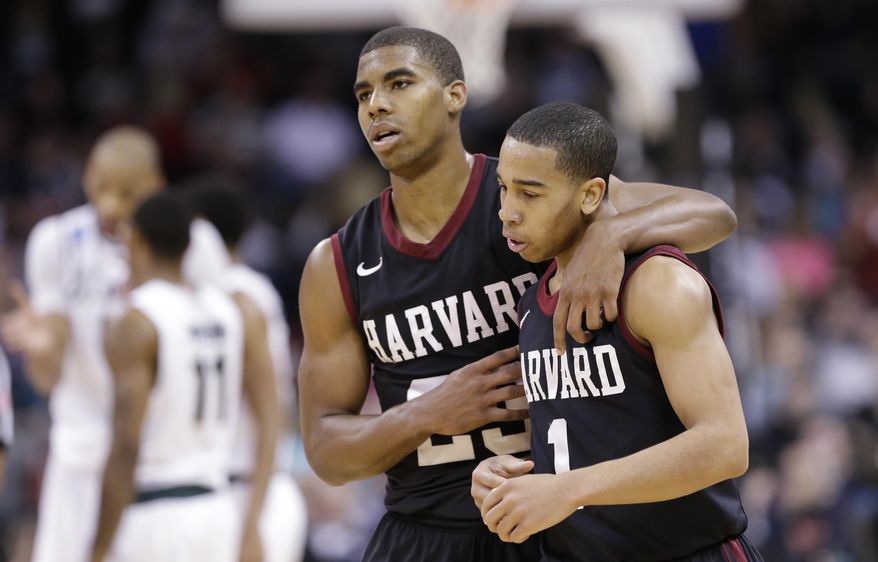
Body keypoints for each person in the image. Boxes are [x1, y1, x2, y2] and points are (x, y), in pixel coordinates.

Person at [298, 26, 738, 562]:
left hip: (561, 521)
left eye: (399, 83)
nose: (377, 105)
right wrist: (428, 414)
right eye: (364, 94)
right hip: (426, 525)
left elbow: (714, 214)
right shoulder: (338, 261)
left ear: (455, 95)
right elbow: (325, 451)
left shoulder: (530, 191)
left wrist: (614, 232)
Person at [472, 102, 762, 561]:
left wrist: (568, 489)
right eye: (504, 189)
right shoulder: (533, 302)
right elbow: (589, 436)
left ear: (590, 196)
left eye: (530, 194)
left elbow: (726, 445)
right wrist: (504, 473)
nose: (507, 212)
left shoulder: (658, 282)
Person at [0, 126, 229, 562]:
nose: (109, 204)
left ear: (155, 187)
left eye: (126, 192)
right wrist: (42, 347)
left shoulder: (196, 243)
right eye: (100, 185)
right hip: (81, 461)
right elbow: (47, 379)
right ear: (86, 176)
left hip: (159, 469)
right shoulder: (56, 241)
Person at [89, 192, 276, 562]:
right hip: (218, 512)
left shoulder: (137, 321)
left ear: (136, 241)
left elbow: (126, 446)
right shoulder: (230, 312)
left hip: (156, 513)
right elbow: (271, 414)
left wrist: (98, 548)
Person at [190, 180, 308, 562]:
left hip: (249, 488)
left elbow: (273, 410)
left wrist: (253, 518)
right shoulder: (241, 289)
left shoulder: (240, 297)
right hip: (239, 487)